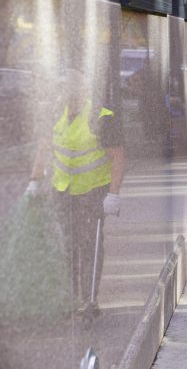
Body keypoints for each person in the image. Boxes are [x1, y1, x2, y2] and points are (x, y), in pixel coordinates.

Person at [25, 69, 125, 317]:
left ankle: (90, 301)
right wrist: (34, 181)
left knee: (90, 244)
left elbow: (118, 157)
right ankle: (70, 300)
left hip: (93, 190)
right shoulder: (54, 114)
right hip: (63, 189)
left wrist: (113, 194)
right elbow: (44, 147)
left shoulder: (101, 117)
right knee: (66, 245)